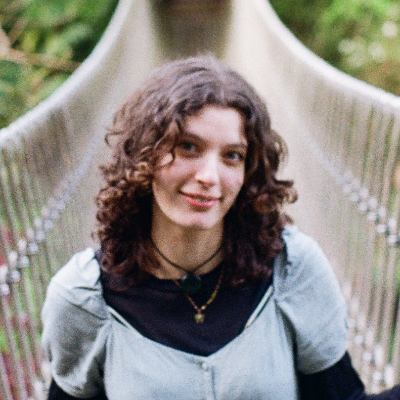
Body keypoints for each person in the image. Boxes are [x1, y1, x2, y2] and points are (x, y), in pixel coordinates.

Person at [41, 55, 400, 400]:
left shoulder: (292, 271)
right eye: (188, 147)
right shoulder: (84, 299)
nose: (210, 177)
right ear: (144, 156)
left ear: (249, 170)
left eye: (232, 156)